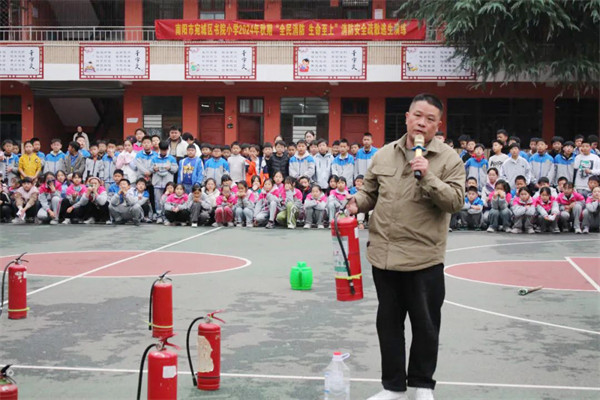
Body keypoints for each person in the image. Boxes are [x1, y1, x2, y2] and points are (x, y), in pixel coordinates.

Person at [346, 93, 464, 400]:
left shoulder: (449, 159)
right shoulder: (384, 154)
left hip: (424, 258)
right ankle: (394, 388)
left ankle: (422, 385)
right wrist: (356, 203)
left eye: (430, 119)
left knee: (425, 326)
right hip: (384, 256)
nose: (422, 123)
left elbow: (455, 202)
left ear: (438, 125)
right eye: (418, 116)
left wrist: (428, 176)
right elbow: (370, 192)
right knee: (388, 325)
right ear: (407, 117)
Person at [151, 141, 179, 221]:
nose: (164, 152)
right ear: (159, 149)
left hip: (168, 184)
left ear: (167, 149)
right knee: (158, 201)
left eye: (165, 150)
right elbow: (149, 169)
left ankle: (166, 216)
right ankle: (159, 216)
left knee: (168, 200)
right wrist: (154, 169)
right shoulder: (154, 158)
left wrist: (170, 168)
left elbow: (175, 169)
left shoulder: (171, 158)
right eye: (162, 150)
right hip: (157, 183)